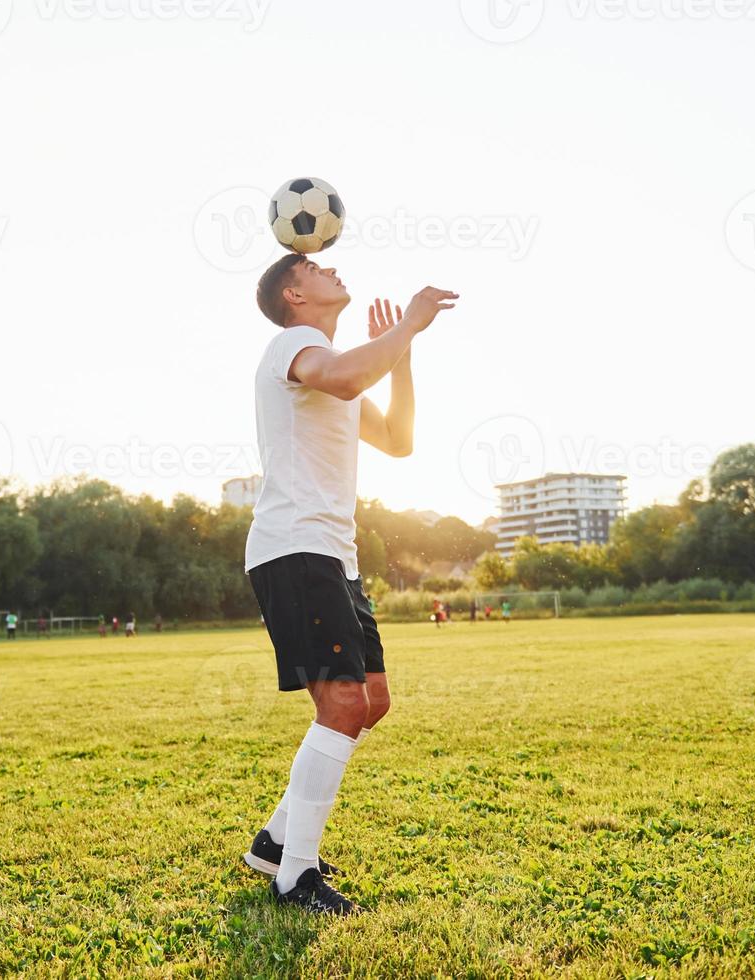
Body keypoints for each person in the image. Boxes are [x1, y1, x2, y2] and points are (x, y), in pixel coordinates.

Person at [241, 252, 457, 916]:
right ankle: (294, 878)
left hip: (334, 558)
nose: (329, 268)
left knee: (372, 700)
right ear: (294, 296)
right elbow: (339, 377)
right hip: (295, 549)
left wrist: (406, 353)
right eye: (312, 266)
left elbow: (398, 440)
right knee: (340, 707)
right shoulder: (298, 344)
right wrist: (406, 326)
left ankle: (277, 842)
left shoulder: (338, 367)